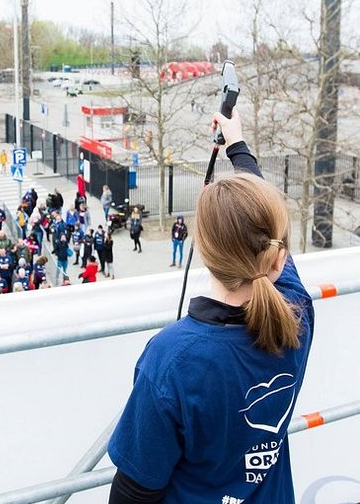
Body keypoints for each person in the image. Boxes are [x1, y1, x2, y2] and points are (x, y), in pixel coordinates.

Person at [107, 108, 314, 504]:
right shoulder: (297, 314)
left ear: (203, 250)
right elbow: (269, 233)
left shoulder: (173, 359)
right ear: (278, 258)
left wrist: (235, 150)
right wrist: (239, 148)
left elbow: (134, 491)